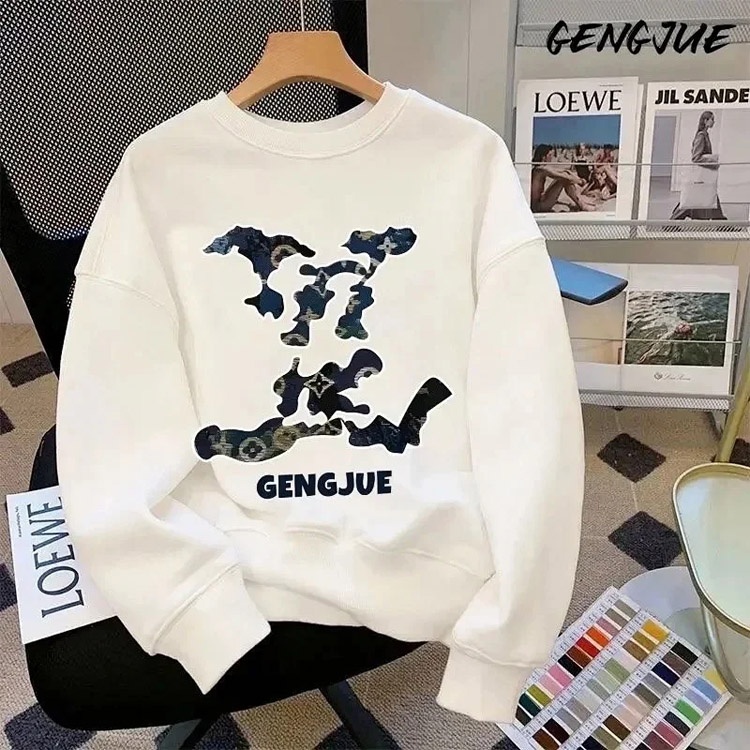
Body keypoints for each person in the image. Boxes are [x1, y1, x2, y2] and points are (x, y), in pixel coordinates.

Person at [670, 110, 728, 222]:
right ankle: (671, 223)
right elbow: (696, 157)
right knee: (692, 200)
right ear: (706, 121)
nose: (714, 122)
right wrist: (713, 161)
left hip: (703, 175)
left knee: (706, 198)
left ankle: (721, 223)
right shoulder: (701, 136)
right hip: (702, 175)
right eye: (712, 119)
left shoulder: (704, 135)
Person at [530, 144, 596, 213]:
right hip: (538, 206)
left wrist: (572, 175)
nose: (551, 157)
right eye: (549, 155)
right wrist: (580, 181)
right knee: (563, 179)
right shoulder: (541, 170)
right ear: (543, 157)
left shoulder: (539, 168)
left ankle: (581, 202)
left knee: (563, 176)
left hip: (541, 199)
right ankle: (582, 205)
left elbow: (563, 171)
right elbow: (561, 176)